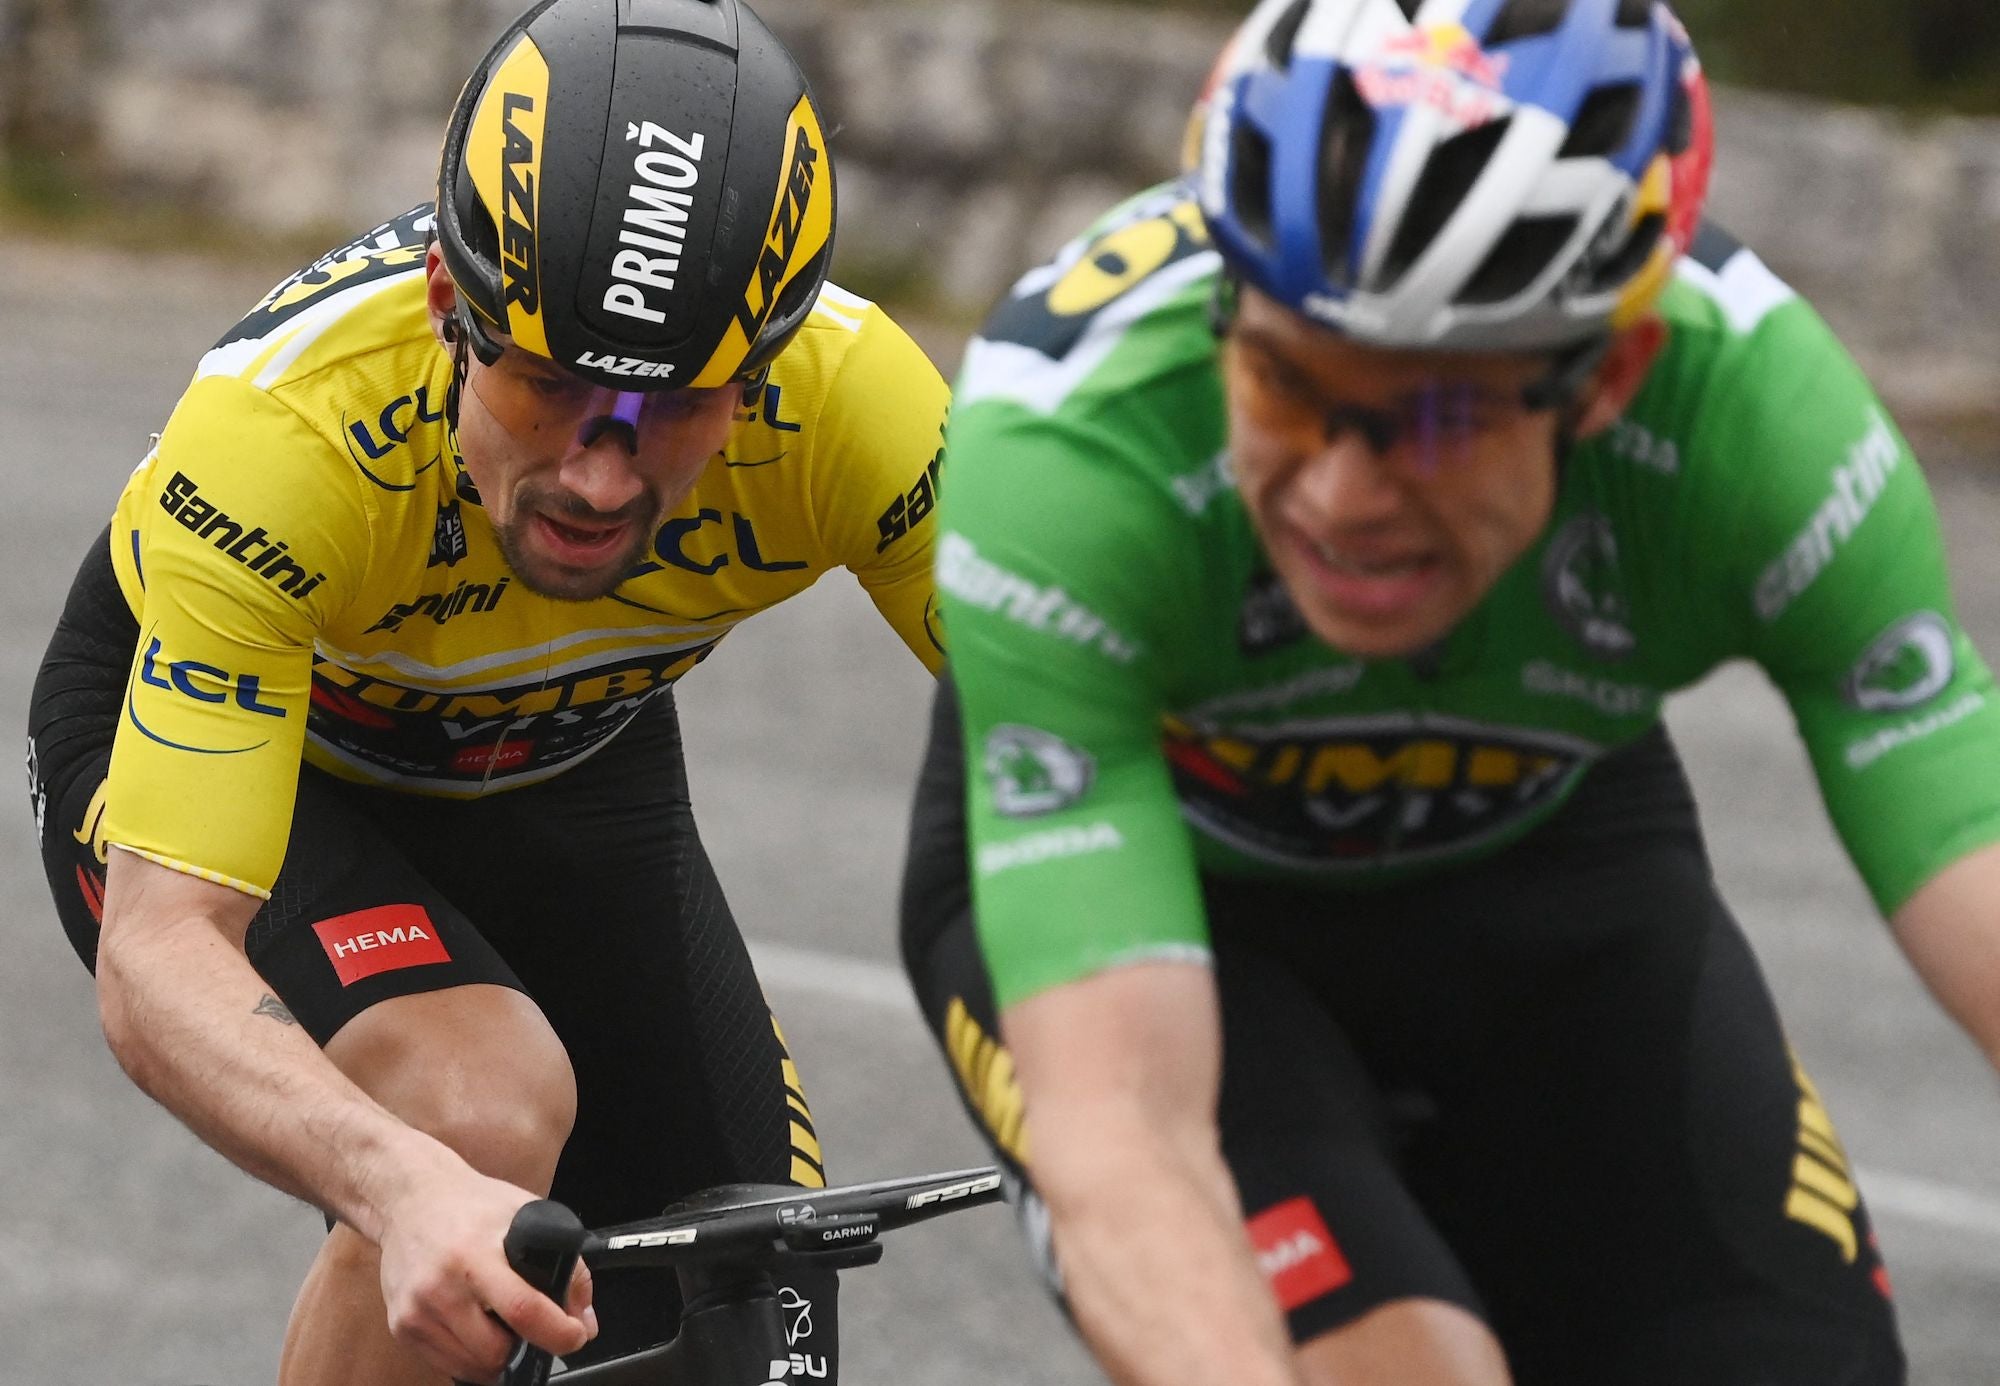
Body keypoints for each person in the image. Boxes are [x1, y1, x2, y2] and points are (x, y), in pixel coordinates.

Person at [899, 1, 2000, 1382]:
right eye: (1288, 387)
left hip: (1544, 862)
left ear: (1611, 375)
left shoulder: (1758, 432)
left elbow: (1967, 845)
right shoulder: (1071, 445)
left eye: (1434, 415)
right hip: (1182, 886)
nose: (1342, 495)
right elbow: (1126, 1140)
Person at [23, 0, 948, 1380]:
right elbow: (161, 959)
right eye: (554, 386)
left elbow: (1106, 737)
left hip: (564, 756)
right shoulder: (288, 431)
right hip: (272, 767)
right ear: (456, 307)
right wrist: (401, 1186)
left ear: (762, 374)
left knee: (751, 1298)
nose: (599, 474)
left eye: (679, 407)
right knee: (479, 1113)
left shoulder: (858, 407)